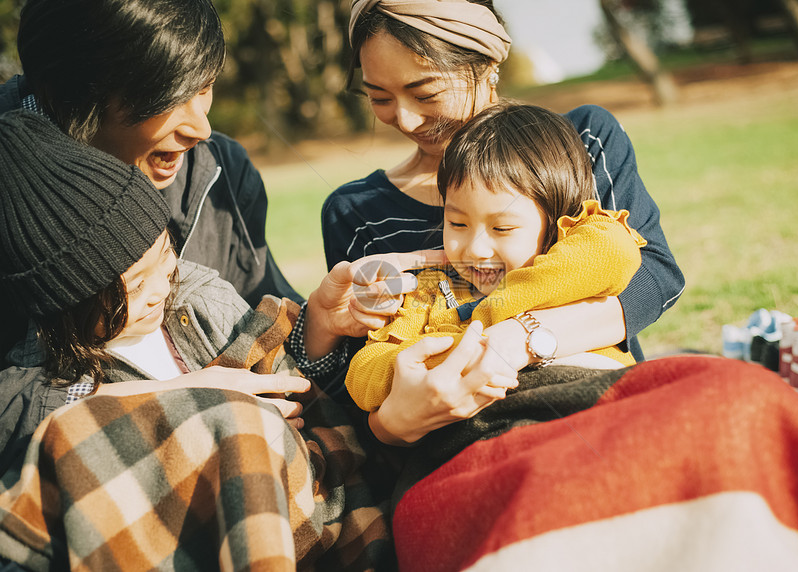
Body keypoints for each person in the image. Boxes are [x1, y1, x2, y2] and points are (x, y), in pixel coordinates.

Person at [0, 110, 398, 569]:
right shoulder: (46, 378)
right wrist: (195, 398)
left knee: (244, 425)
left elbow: (295, 386)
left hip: (291, 504)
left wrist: (316, 336)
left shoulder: (198, 298)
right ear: (65, 307)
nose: (158, 291)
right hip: (177, 537)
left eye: (165, 260)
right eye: (131, 288)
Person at [0, 0, 298, 367]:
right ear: (75, 94)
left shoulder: (221, 171)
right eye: (169, 99)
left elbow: (269, 331)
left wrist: (325, 329)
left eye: (204, 87)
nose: (201, 130)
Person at [345, 103, 647, 412]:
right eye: (457, 224)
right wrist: (465, 352)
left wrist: (491, 319)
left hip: (595, 405)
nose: (475, 249)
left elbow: (616, 250)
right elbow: (362, 374)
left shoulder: (571, 257)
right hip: (491, 428)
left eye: (502, 228)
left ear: (556, 220)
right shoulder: (427, 291)